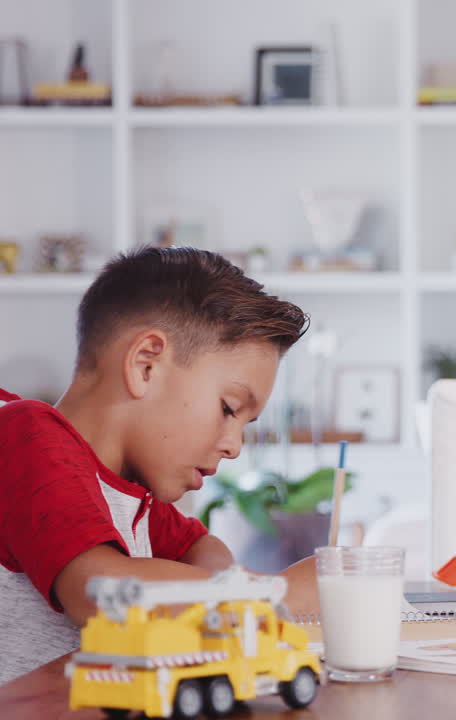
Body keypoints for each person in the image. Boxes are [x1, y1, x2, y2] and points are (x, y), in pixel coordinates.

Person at [0, 247, 316, 684]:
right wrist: (275, 595)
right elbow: (99, 593)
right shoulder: (24, 435)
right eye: (228, 408)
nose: (234, 447)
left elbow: (204, 550)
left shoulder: (131, 496)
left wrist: (219, 590)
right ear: (146, 364)